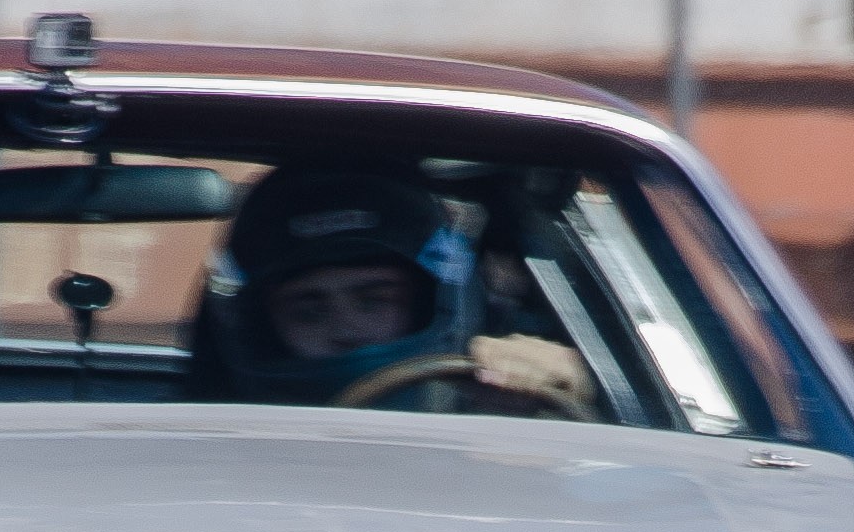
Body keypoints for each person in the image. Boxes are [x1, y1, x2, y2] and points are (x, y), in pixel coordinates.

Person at [192, 165, 590, 413]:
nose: (346, 330)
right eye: (309, 312)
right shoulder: (210, 453)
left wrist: (572, 388)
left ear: (426, 304)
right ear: (265, 329)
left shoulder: (500, 407)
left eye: (374, 300)